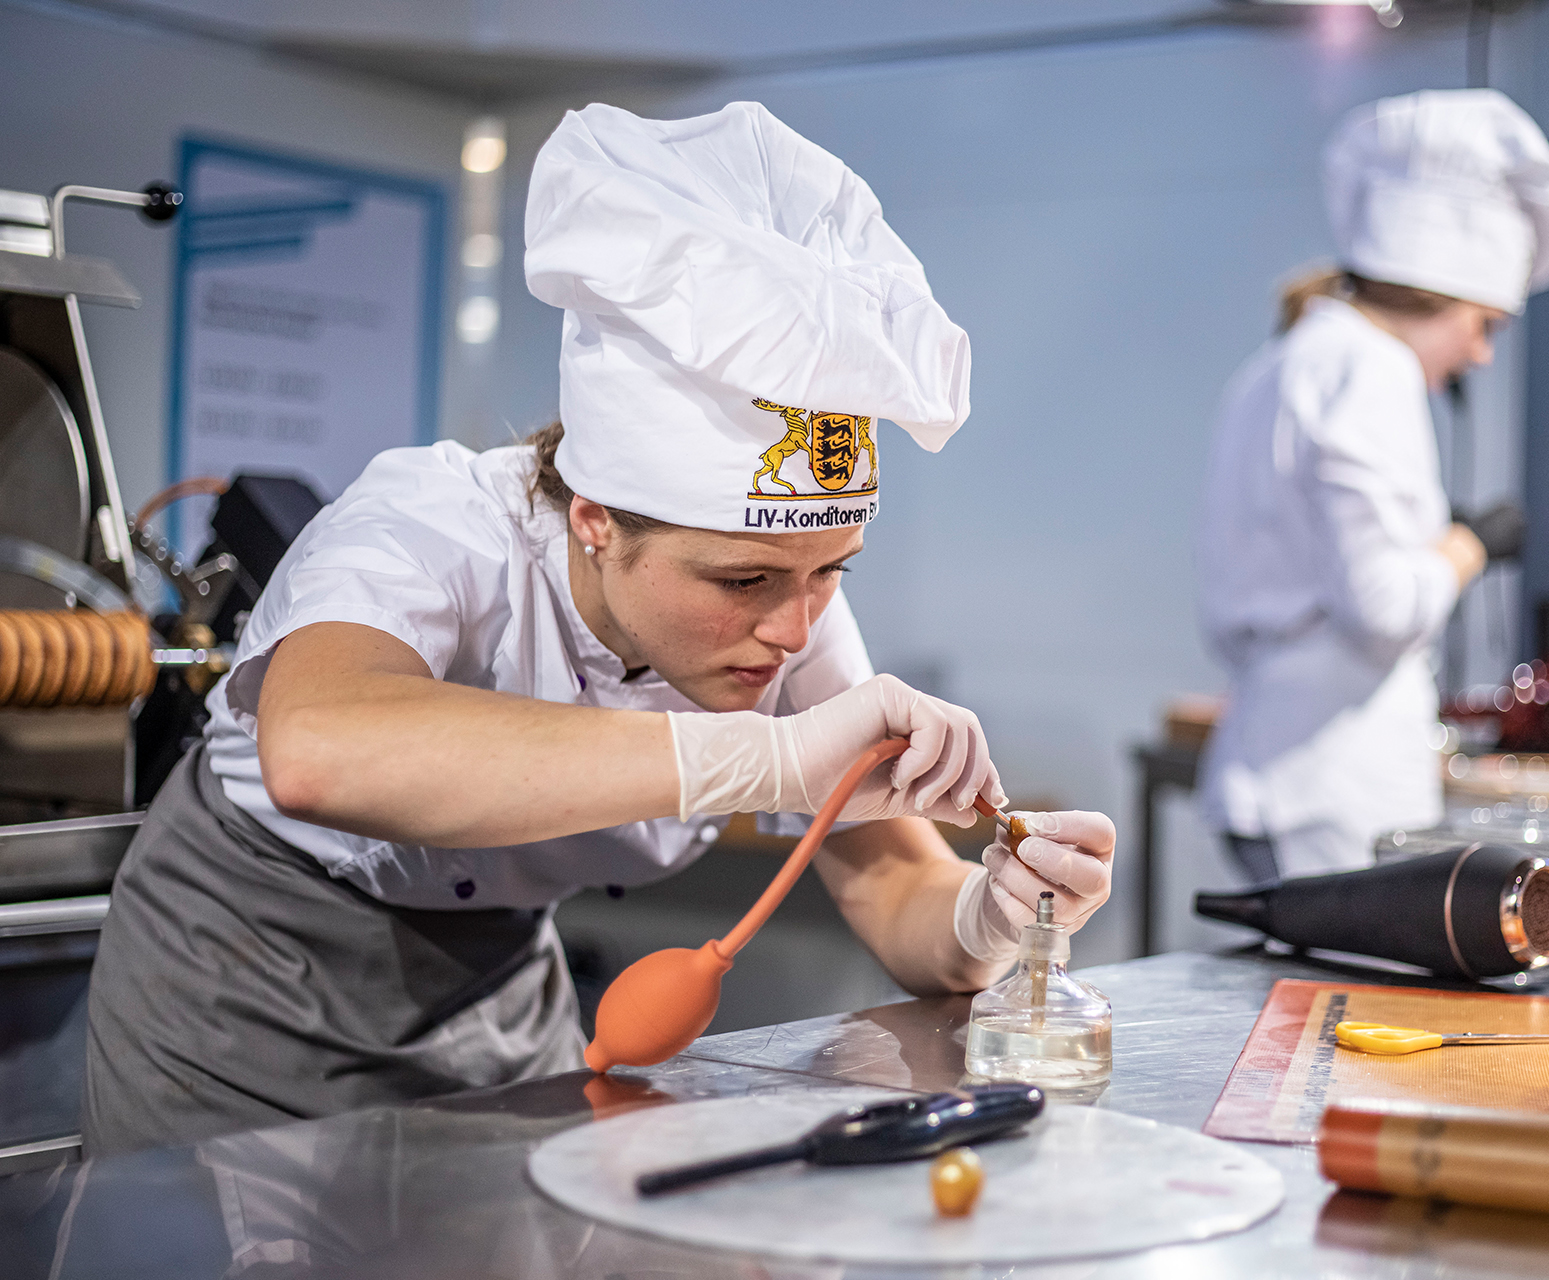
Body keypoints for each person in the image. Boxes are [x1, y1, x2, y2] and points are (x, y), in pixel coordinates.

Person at [82, 102, 1115, 1158]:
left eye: (831, 572)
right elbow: (318, 748)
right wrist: (765, 761)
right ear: (594, 517)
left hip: (495, 995)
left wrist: (986, 919)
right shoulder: (432, 527)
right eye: (744, 578)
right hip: (245, 980)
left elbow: (892, 882)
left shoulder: (788, 606)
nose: (794, 626)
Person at [1196, 89, 1549, 884]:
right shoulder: (1373, 371)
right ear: (1434, 296)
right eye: (1483, 327)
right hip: (1329, 793)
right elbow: (1380, 605)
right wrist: (1469, 542)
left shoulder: (1280, 361)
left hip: (1276, 770)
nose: (1480, 356)